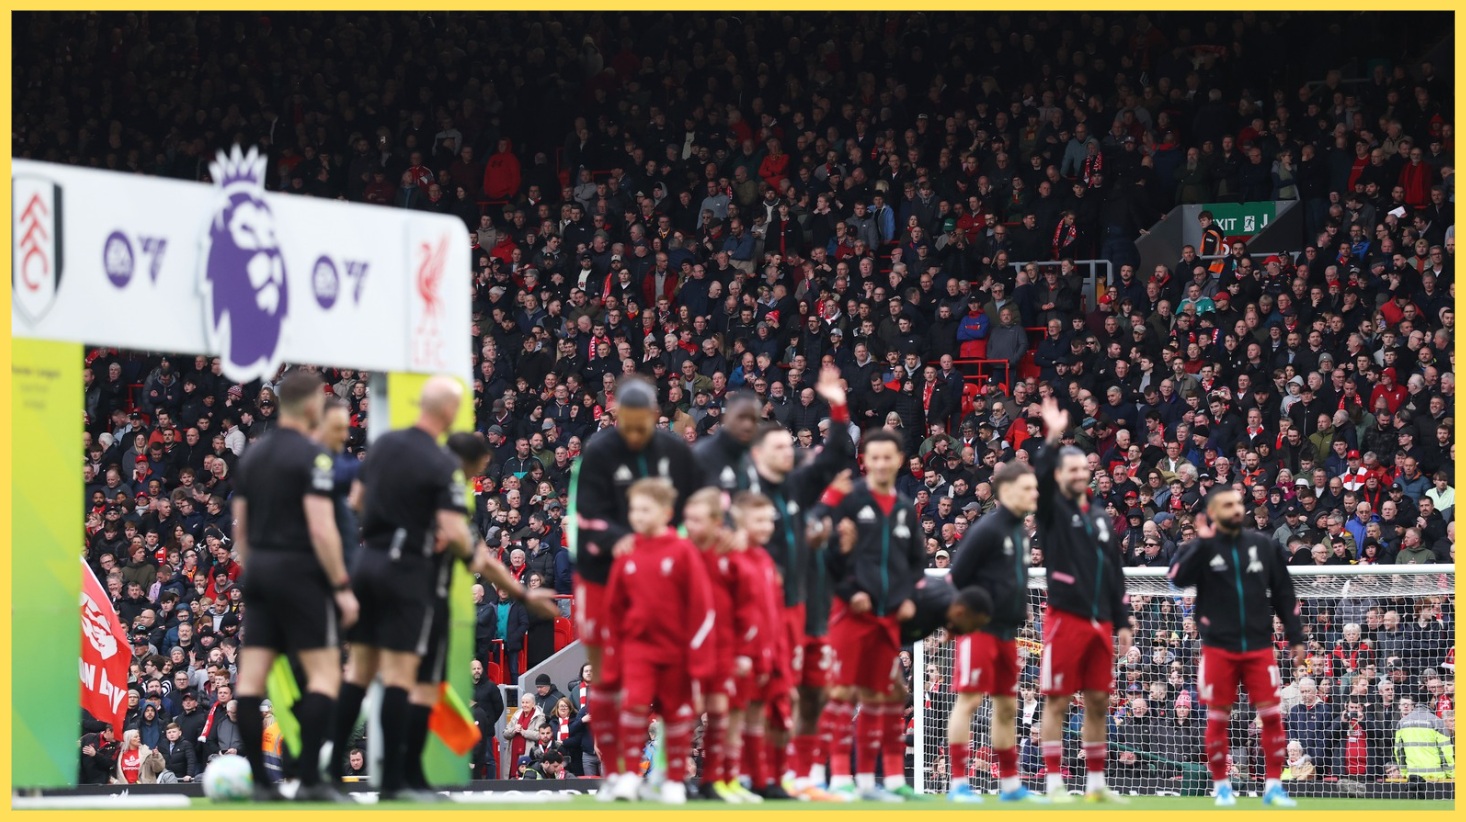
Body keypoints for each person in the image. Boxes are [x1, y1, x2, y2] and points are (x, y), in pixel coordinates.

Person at [329, 377, 516, 800]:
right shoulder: (439, 462)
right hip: (406, 571)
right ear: (449, 412)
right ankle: (396, 782)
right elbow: (454, 531)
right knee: (401, 678)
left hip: (369, 561)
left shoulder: (383, 445)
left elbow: (357, 499)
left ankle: (326, 777)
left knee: (357, 673)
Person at [569, 376, 701, 793]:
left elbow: (699, 505)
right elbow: (583, 518)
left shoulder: (676, 452)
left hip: (661, 569)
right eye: (625, 422)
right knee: (609, 680)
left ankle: (669, 773)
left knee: (671, 685)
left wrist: (673, 545)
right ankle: (616, 774)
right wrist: (617, 540)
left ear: (656, 416)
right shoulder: (599, 451)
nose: (634, 432)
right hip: (603, 574)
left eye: (642, 422)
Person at [231, 371, 357, 802]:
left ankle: (263, 788)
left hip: (260, 574)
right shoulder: (314, 457)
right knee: (324, 676)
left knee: (251, 682)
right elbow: (322, 530)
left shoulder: (252, 457)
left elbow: (240, 534)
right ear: (311, 406)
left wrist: (258, 571)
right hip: (301, 574)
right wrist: (341, 585)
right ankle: (309, 781)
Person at [742, 365, 853, 800]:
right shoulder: (743, 495)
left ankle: (796, 776)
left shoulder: (796, 489)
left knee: (809, 695)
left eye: (788, 445)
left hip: (803, 609)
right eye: (777, 447)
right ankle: (756, 775)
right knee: (763, 697)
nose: (787, 452)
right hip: (763, 611)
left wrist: (838, 403)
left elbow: (837, 451)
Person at [1168, 487, 1307, 807]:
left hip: (1259, 647)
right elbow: (1175, 577)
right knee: (1217, 718)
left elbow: (1285, 594)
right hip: (1218, 649)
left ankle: (1274, 786)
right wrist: (1198, 543)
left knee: (1271, 717)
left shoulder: (1264, 545)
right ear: (1214, 514)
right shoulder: (1204, 548)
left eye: (1237, 503)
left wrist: (1295, 637)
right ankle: (1221, 787)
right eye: (1227, 504)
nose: (1235, 508)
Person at [1032, 396, 1132, 803]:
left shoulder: (1099, 516)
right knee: (1056, 702)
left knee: (1097, 702)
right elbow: (1039, 479)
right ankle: (1055, 784)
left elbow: (1113, 572)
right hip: (1065, 620)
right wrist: (1053, 436)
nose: (1078, 473)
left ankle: (1095, 786)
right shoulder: (1052, 509)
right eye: (1070, 468)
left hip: (1101, 623)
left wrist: (1123, 620)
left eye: (1082, 467)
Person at [600, 477, 715, 804]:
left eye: (645, 509)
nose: (637, 515)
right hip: (637, 650)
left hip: (676, 651)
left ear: (666, 512)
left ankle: (674, 780)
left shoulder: (683, 551)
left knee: (676, 714)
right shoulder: (626, 552)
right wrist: (616, 649)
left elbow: (703, 607)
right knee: (633, 708)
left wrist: (698, 653)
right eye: (634, 509)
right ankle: (626, 778)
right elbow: (613, 608)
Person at [824, 430, 924, 801]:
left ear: (899, 460)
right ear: (865, 460)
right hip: (849, 614)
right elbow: (830, 559)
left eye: (888, 457)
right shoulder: (850, 502)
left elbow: (916, 561)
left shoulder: (902, 507)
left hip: (887, 617)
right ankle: (838, 778)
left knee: (884, 696)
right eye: (874, 457)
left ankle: (875, 781)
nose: (881, 464)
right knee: (843, 693)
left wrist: (910, 595)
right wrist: (853, 594)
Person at [945, 460, 1046, 803]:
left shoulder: (1018, 531)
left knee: (1006, 707)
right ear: (1007, 491)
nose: (1034, 493)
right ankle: (958, 783)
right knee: (970, 700)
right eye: (1027, 487)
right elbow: (956, 576)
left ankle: (1010, 786)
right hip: (980, 630)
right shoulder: (987, 529)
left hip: (1006, 633)